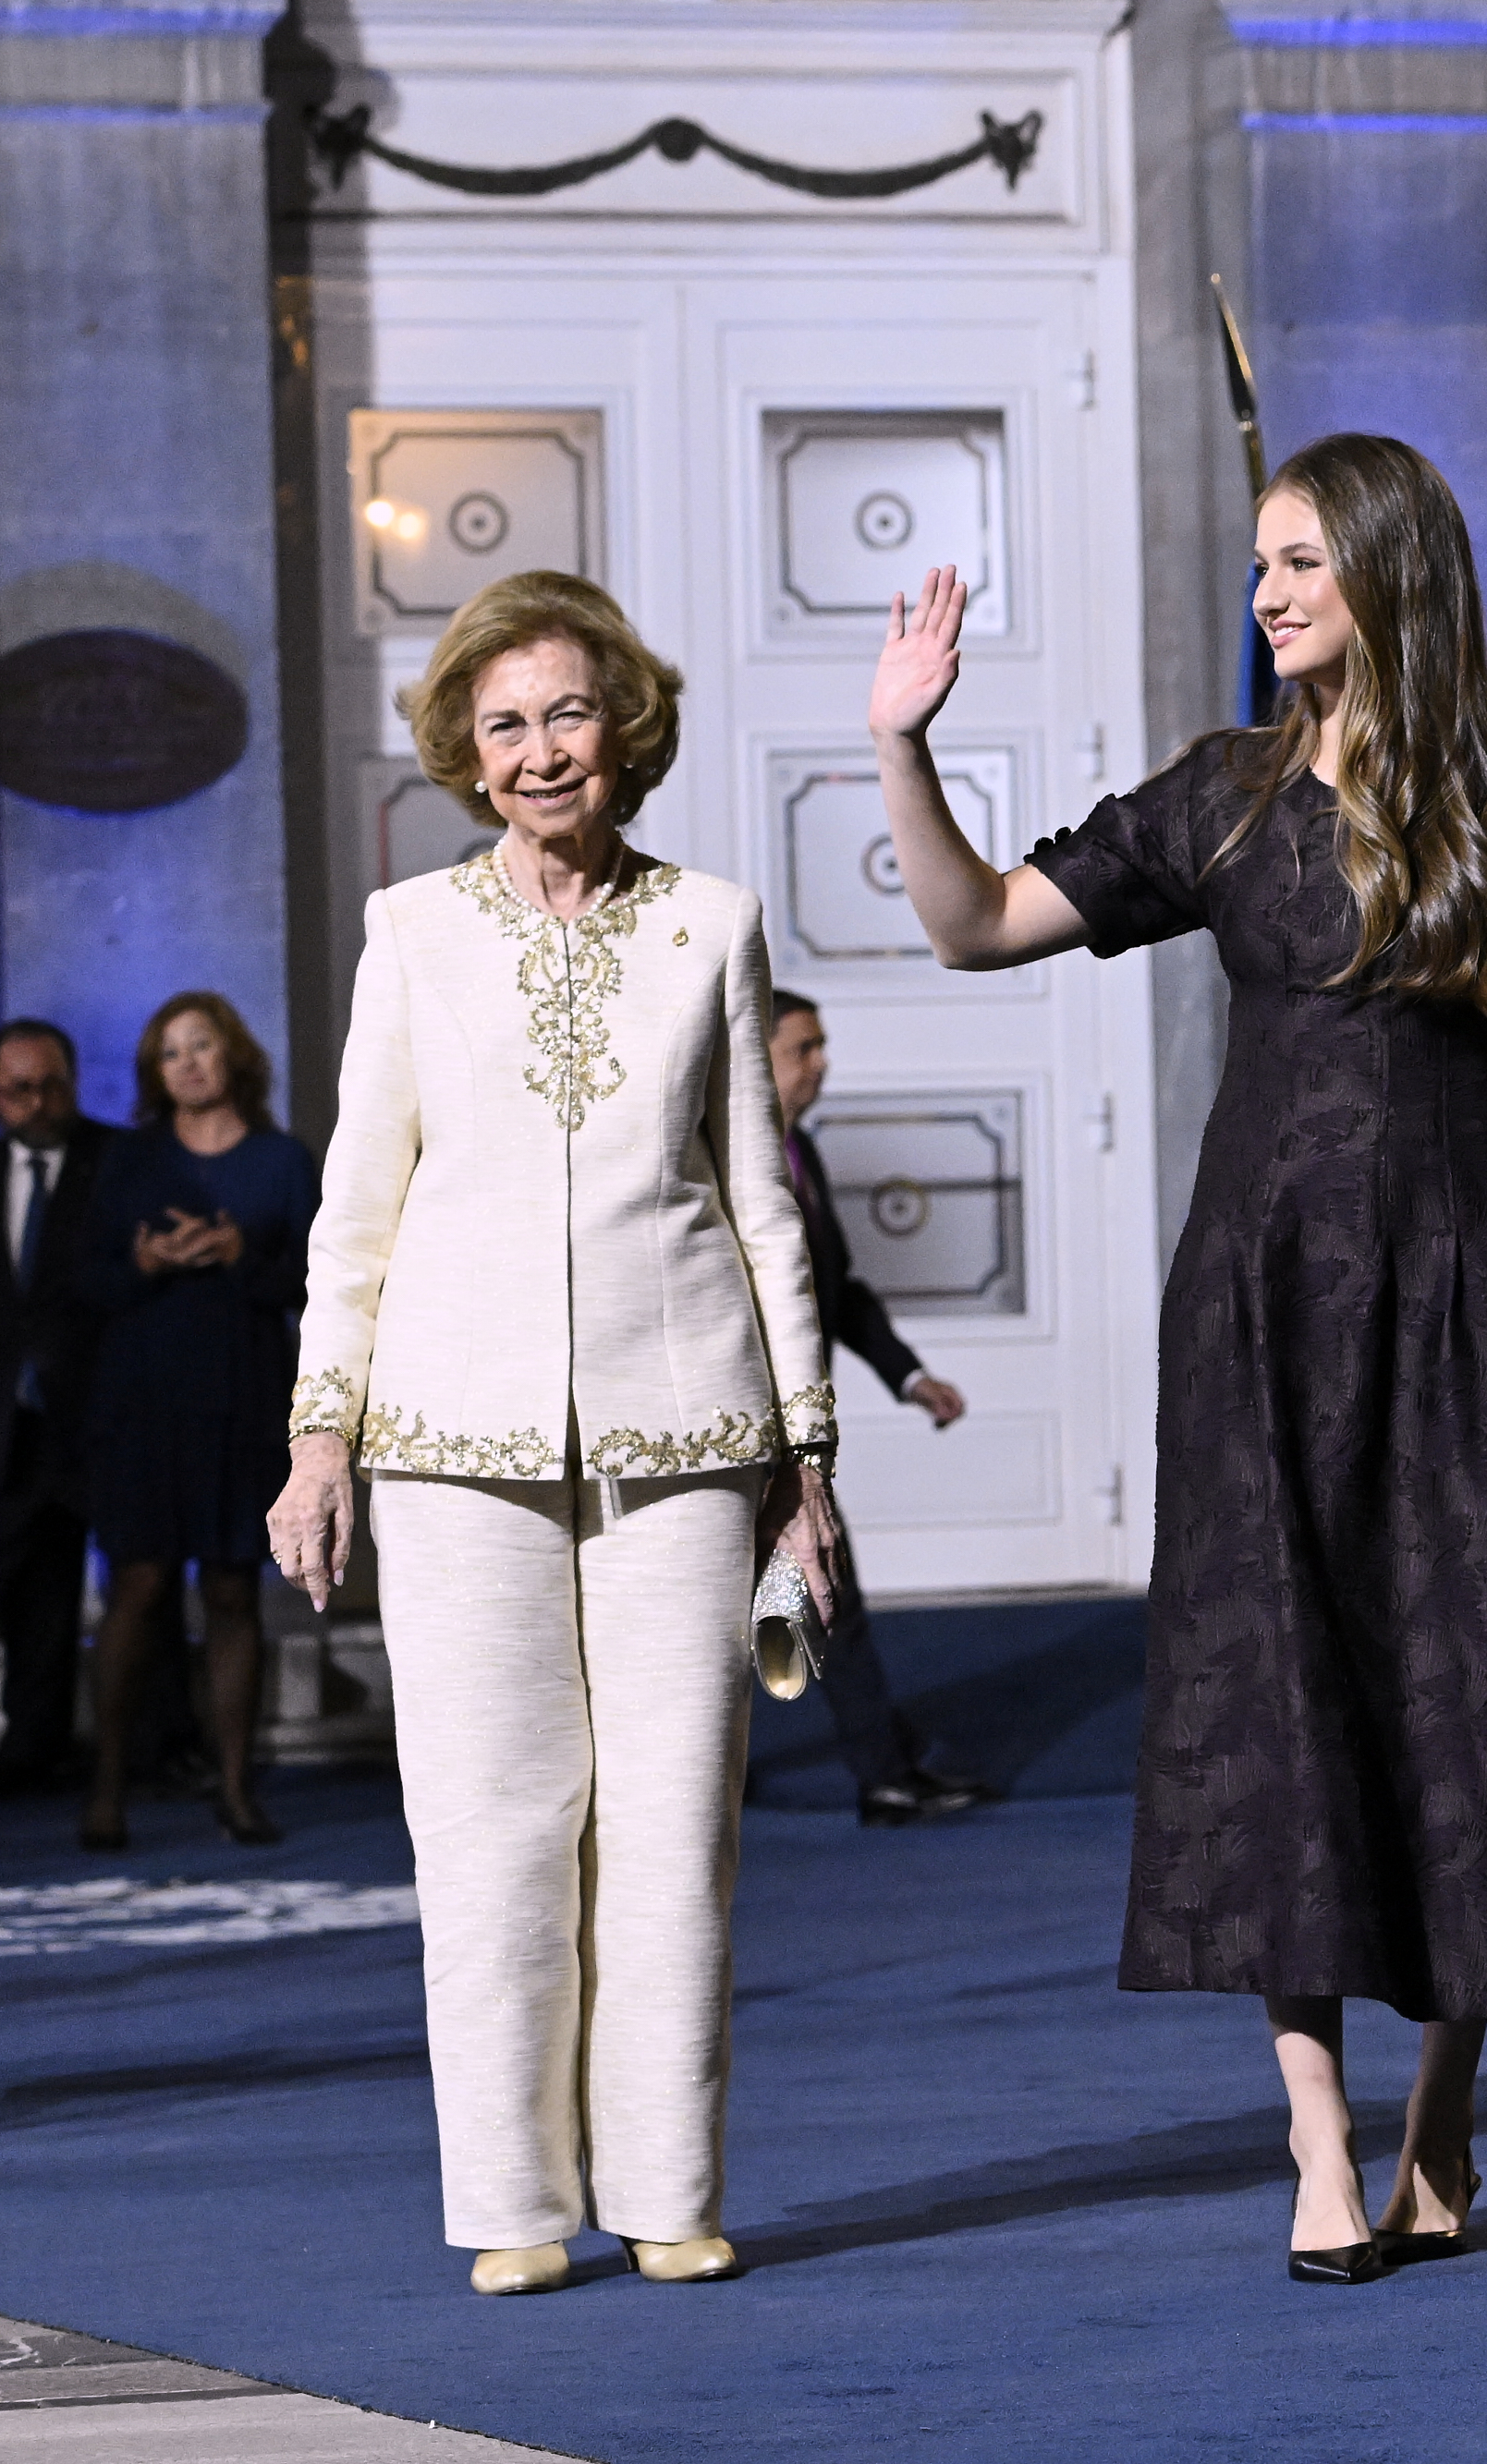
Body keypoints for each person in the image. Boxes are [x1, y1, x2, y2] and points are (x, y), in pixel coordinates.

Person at [867, 431, 1487, 2287]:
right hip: (1260, 1312)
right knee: (1282, 1713)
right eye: (1257, 566)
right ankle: (1315, 2142)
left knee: (1471, 1690)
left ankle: (1444, 2103)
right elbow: (970, 928)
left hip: (1476, 1304)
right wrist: (902, 746)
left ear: (1390, 576)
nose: (1265, 596)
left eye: (1297, 565)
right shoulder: (1219, 799)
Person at [268, 567, 843, 2297]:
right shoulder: (410, 933)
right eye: (504, 721)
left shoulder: (714, 925)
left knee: (675, 1821)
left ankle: (667, 2185)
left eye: (568, 714)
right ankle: (512, 2201)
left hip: (686, 1436)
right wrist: (319, 1438)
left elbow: (762, 1205)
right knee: (492, 1826)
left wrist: (804, 1465)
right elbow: (355, 1207)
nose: (538, 751)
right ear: (463, 743)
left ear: (626, 727)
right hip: (449, 1440)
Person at [74, 995, 319, 1851]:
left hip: (244, 1398)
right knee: (137, 1587)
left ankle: (239, 1789)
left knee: (230, 1589)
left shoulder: (283, 1160)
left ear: (233, 1055)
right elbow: (86, 1282)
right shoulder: (128, 1160)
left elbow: (315, 1281)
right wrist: (145, 1262)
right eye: (170, 1052)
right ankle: (105, 1789)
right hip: (141, 1401)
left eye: (200, 1046)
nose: (187, 1064)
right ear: (155, 1072)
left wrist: (238, 1255)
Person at [762, 990, 994, 1824]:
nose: (821, 1063)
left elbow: (841, 1292)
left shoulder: (802, 1153)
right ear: (757, 1056)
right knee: (822, 1600)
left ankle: (885, 1766)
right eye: (804, 1048)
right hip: (741, 1439)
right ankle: (885, 1772)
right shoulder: (720, 1165)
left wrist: (909, 1376)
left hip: (789, 1438)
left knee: (820, 1601)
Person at [0, 1021, 114, 1797]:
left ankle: (38, 1753)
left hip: (86, 1421)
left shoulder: (116, 1162)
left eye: (52, 1085)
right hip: (4, 1421)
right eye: (19, 1089)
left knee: (54, 1593)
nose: (39, 1102)